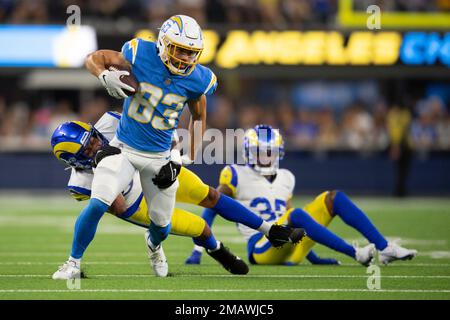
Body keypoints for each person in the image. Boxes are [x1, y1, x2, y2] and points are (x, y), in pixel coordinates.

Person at [56, 15, 218, 278]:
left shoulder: (199, 79)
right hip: (124, 148)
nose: (186, 59)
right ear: (164, 44)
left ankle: (154, 245)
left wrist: (188, 154)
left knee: (162, 226)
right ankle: (73, 263)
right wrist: (103, 74)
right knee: (98, 202)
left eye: (191, 53)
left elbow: (199, 117)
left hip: (160, 157)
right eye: (180, 50)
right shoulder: (140, 52)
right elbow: (93, 57)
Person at [51, 113, 305, 279]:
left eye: (94, 138)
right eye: (89, 148)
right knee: (201, 228)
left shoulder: (111, 121)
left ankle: (269, 229)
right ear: (75, 160)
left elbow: (160, 130)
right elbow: (117, 205)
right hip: (135, 201)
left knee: (210, 195)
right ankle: (163, 245)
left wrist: (173, 159)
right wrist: (105, 168)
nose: (97, 144)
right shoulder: (80, 182)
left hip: (154, 168)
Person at [186, 124, 418, 266]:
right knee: (294, 214)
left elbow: (295, 225)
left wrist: (310, 255)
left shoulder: (287, 177)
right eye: (261, 152)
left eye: (270, 152)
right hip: (260, 249)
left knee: (333, 198)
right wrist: (199, 249)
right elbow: (212, 205)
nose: (266, 157)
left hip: (289, 248)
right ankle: (355, 253)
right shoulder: (235, 173)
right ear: (249, 152)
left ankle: (384, 247)